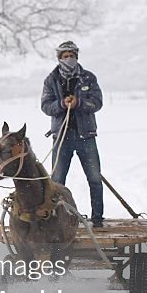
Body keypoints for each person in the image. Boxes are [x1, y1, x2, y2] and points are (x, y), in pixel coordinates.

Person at [41, 40, 105, 228]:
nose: (68, 58)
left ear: (76, 56)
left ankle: (98, 219)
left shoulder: (88, 78)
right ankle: (57, 221)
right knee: (57, 182)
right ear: (59, 58)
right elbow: (45, 106)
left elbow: (97, 102)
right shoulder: (51, 80)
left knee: (94, 179)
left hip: (86, 137)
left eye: (71, 55)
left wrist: (79, 103)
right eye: (65, 56)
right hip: (61, 139)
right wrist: (62, 104)